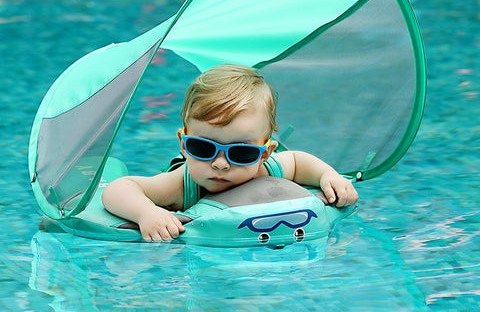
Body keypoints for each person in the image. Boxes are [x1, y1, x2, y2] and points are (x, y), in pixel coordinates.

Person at [102, 64, 358, 242]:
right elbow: (118, 189)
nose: (220, 163)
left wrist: (328, 176)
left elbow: (300, 161)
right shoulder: (182, 185)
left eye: (241, 152)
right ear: (183, 143)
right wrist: (147, 212)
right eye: (202, 147)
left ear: (265, 153)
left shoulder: (269, 168)